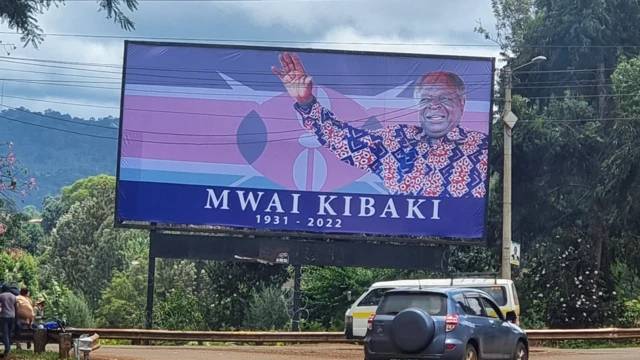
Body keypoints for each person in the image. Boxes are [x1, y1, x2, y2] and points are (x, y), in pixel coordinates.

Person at [272, 52, 489, 198]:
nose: (433, 107)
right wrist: (306, 102)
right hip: (399, 235)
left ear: (461, 103)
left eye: (443, 99)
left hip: (463, 247)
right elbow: (345, 141)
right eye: (425, 100)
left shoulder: (482, 148)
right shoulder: (395, 140)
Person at [0, 284, 17, 358]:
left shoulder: (1, 296)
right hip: (12, 316)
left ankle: (7, 349)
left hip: (4, 316)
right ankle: (7, 349)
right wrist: (16, 317)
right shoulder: (14, 296)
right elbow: (16, 308)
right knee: (9, 332)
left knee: (5, 333)